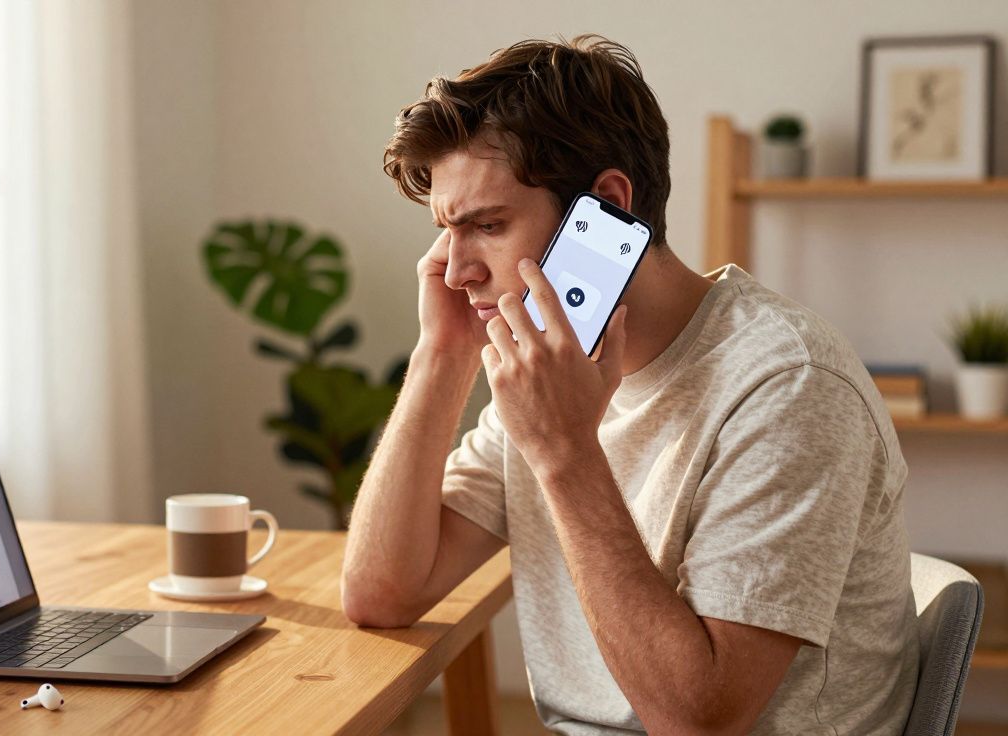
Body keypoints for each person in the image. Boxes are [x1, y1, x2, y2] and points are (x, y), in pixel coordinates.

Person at [341, 35, 919, 734]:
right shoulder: (547, 373)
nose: (456, 270)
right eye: (446, 232)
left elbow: (699, 720)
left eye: (487, 225)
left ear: (608, 206)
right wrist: (443, 352)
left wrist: (564, 455)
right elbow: (381, 592)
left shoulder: (786, 385)